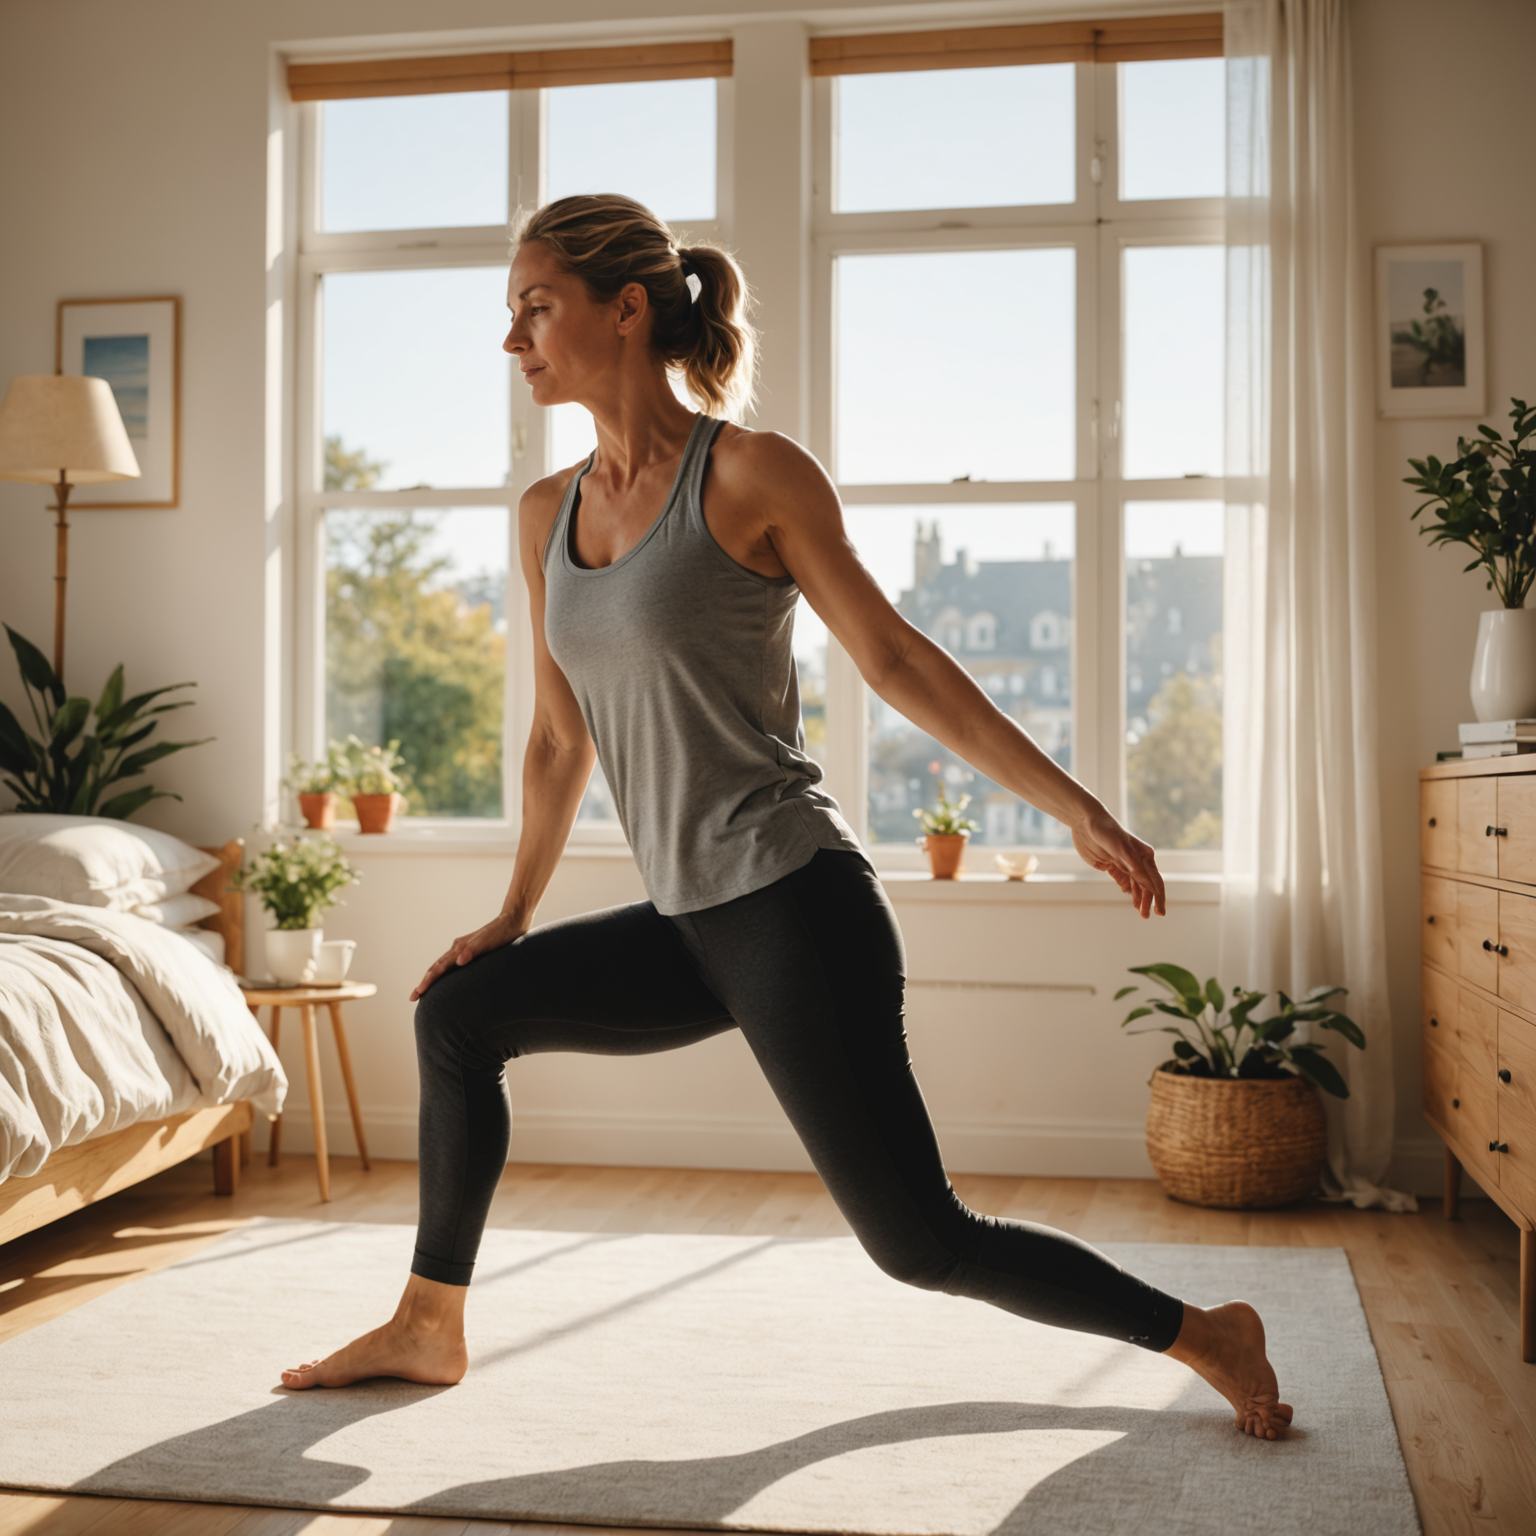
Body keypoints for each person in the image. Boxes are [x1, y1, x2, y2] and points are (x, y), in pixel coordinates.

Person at [281, 193, 1292, 1441]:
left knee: (920, 1243)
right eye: (511, 315)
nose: (514, 341)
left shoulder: (750, 473)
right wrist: (511, 914)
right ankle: (430, 1322)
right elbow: (557, 740)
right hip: (689, 919)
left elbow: (896, 658)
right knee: (458, 1011)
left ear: (627, 306)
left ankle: (1206, 1333)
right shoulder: (547, 514)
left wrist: (1075, 806)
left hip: (792, 903)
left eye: (535, 308)